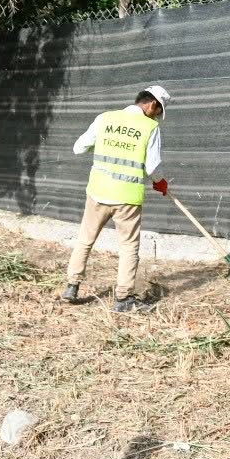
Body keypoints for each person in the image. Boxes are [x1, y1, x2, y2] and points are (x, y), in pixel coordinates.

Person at [62, 85, 172, 314]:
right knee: (129, 247)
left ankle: (72, 286)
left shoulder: (105, 118)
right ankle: (123, 299)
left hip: (98, 191)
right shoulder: (150, 127)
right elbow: (152, 167)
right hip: (127, 198)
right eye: (158, 112)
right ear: (152, 104)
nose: (157, 117)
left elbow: (79, 148)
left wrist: (105, 145)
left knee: (85, 239)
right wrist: (160, 182)